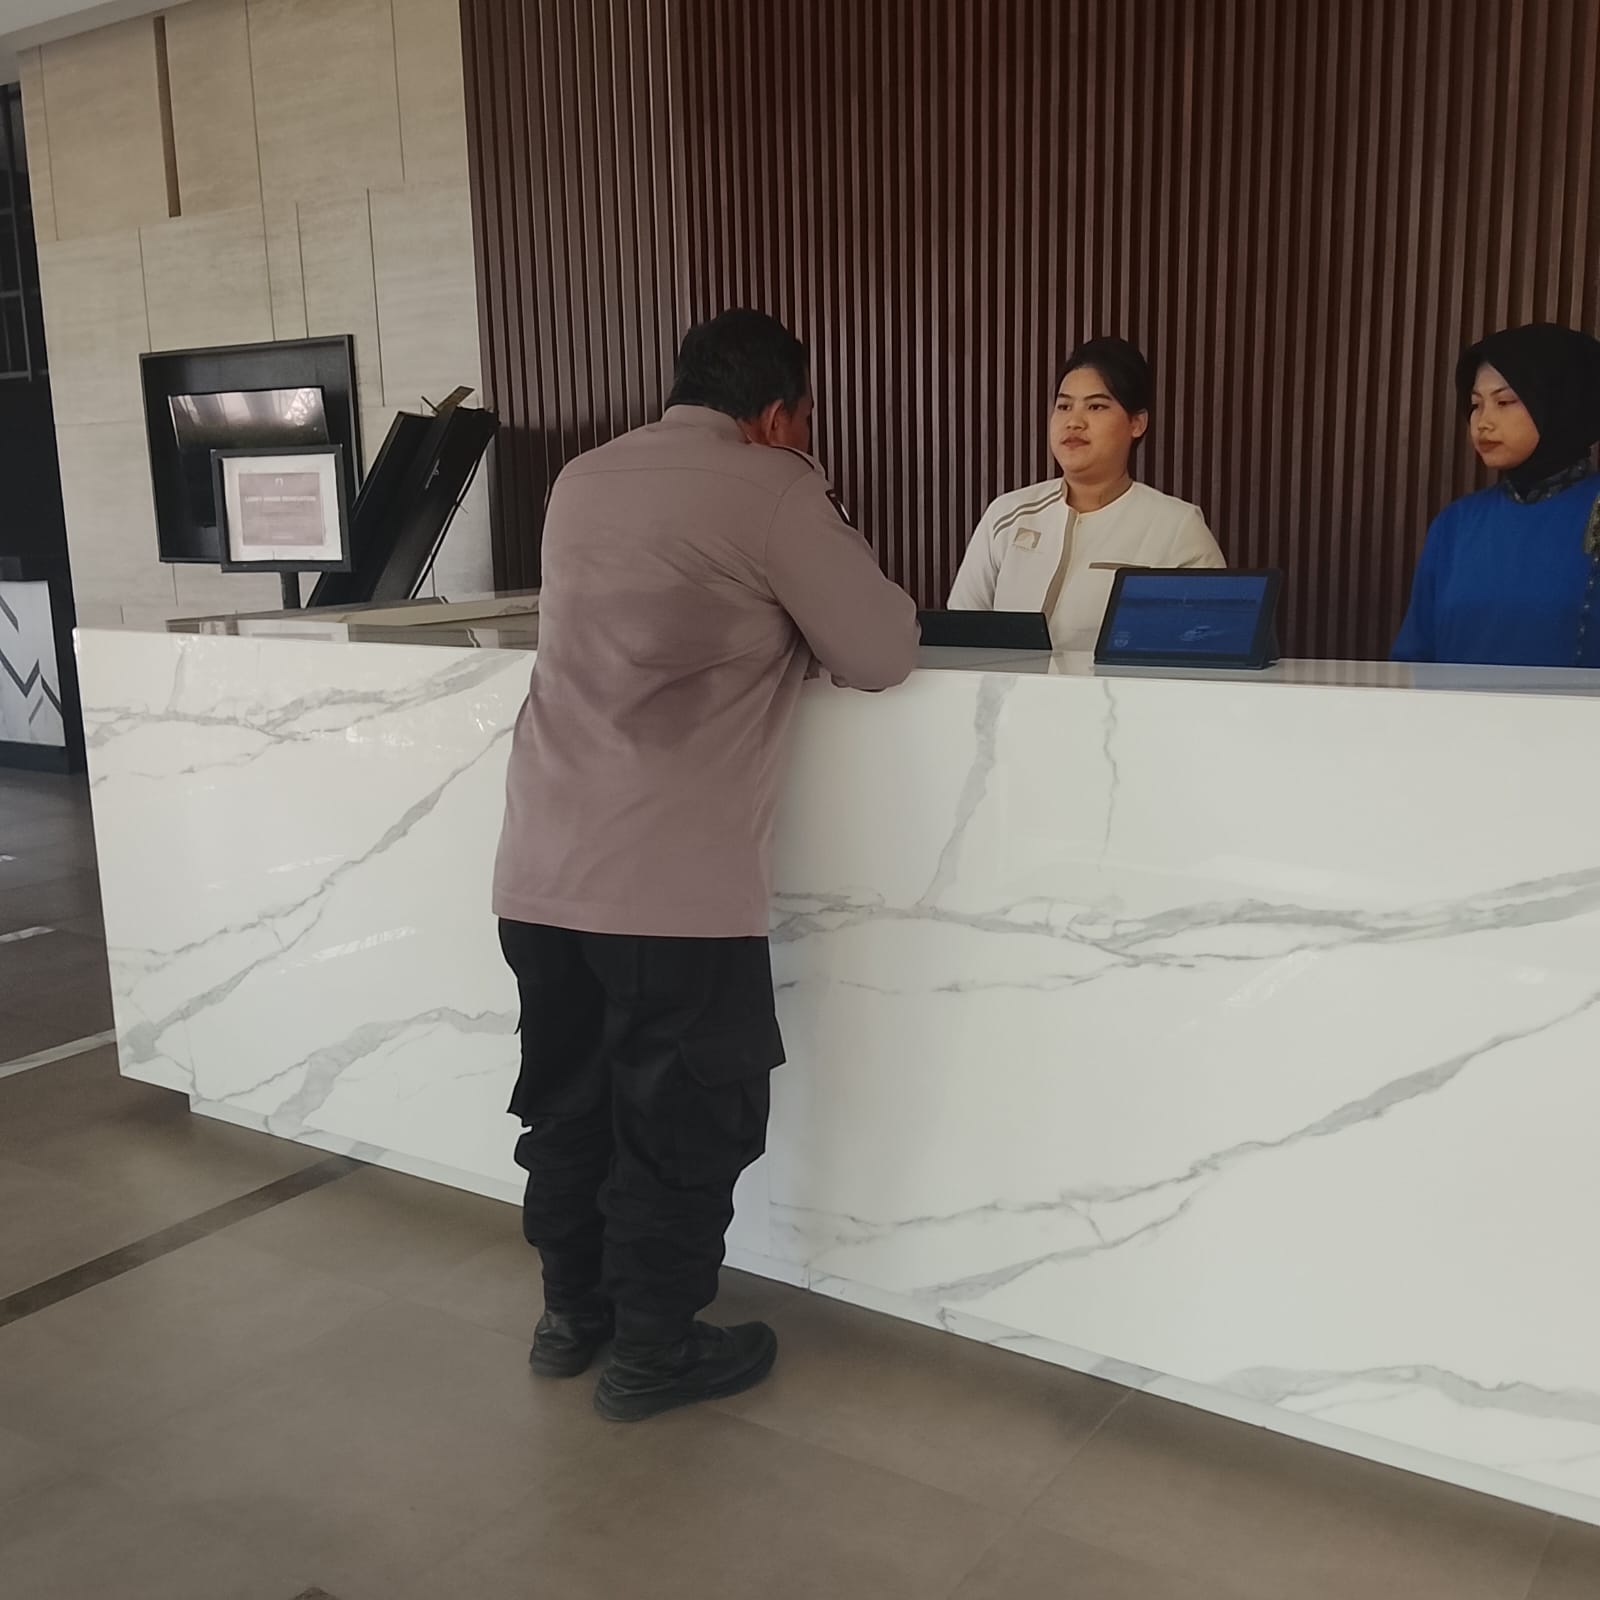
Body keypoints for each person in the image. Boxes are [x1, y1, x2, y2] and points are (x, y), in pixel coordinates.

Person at [492, 309, 920, 1422]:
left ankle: (570, 1318)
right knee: (678, 1120)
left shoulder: (580, 479)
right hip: (670, 890)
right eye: (805, 420)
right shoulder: (771, 486)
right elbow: (880, 650)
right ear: (775, 413)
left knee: (570, 1105)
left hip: (538, 867)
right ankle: (653, 1349)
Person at [948, 337, 1224, 648]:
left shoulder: (1177, 528)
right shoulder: (1007, 515)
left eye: (1096, 406)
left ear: (1137, 423)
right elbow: (960, 634)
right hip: (1003, 683)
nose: (1074, 422)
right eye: (1064, 406)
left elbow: (1210, 647)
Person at [1393, 323, 1600, 667]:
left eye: (1504, 402)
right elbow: (1415, 656)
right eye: (1476, 404)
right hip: (1453, 705)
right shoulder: (1456, 524)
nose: (1483, 422)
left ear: (1560, 402)